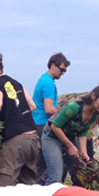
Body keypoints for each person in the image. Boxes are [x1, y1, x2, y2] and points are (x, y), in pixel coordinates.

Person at [0, 51, 39, 186]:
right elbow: (32, 105)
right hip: (33, 139)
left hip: (15, 141)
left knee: (3, 188)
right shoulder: (16, 83)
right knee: (28, 185)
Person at [41, 83, 99, 186]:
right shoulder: (74, 107)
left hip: (70, 137)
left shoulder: (96, 113)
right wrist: (70, 146)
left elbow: (83, 132)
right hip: (52, 137)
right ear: (94, 96)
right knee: (55, 177)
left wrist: (83, 152)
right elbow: (55, 126)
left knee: (80, 174)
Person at [32, 52, 70, 184]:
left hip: (37, 123)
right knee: (58, 161)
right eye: (62, 69)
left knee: (42, 163)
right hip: (44, 125)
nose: (63, 73)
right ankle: (45, 187)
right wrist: (63, 114)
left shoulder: (44, 80)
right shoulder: (48, 83)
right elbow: (49, 109)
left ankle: (37, 189)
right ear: (53, 65)